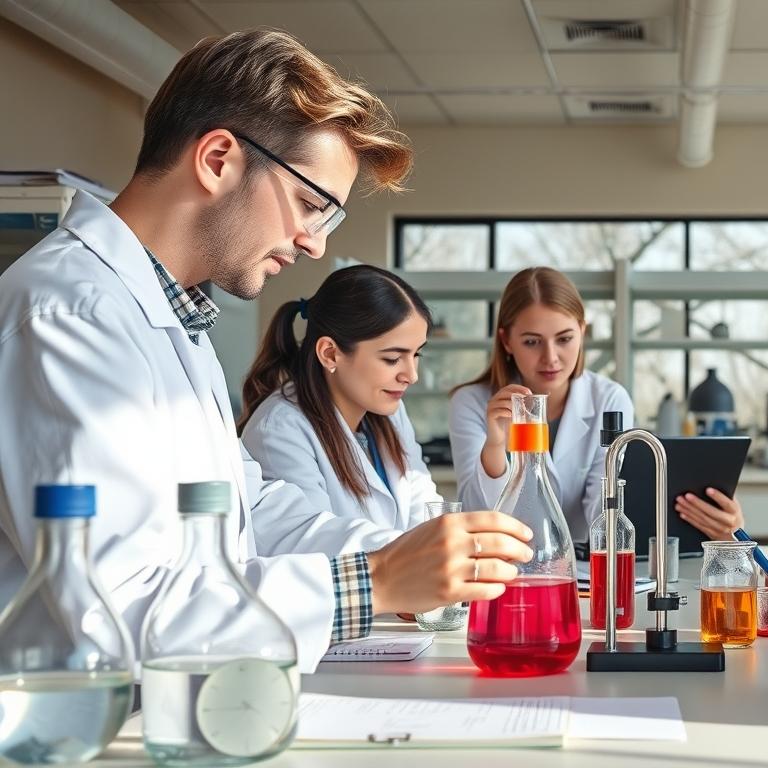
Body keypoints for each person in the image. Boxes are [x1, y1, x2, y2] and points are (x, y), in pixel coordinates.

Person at [0, 29, 532, 673]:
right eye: (311, 204)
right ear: (219, 158)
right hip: (88, 725)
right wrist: (376, 583)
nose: (313, 244)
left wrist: (411, 553)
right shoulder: (70, 315)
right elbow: (118, 607)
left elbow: (251, 510)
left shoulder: (171, 321)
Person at [240, 265, 441, 537]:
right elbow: (314, 541)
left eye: (416, 354)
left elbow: (426, 508)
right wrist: (422, 553)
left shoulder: (391, 413)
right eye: (392, 359)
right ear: (330, 354)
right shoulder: (278, 430)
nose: (411, 376)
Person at [449, 267, 634, 541]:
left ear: (582, 332)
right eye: (532, 341)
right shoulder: (470, 403)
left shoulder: (609, 399)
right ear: (506, 341)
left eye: (564, 339)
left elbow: (606, 508)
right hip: (507, 565)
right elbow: (478, 514)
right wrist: (496, 444)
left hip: (584, 567)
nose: (551, 358)